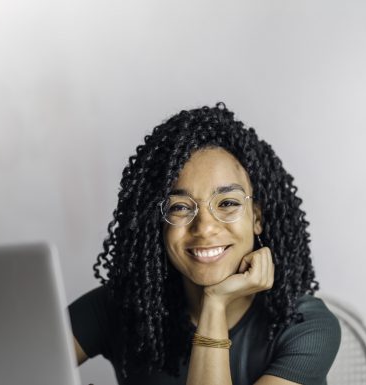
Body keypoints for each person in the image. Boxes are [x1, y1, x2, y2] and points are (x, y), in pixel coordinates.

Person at [68, 103, 341, 385]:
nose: (205, 228)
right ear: (158, 223)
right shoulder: (119, 306)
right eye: (180, 208)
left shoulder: (305, 327)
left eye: (227, 203)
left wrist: (215, 303)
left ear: (256, 217)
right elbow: (22, 366)